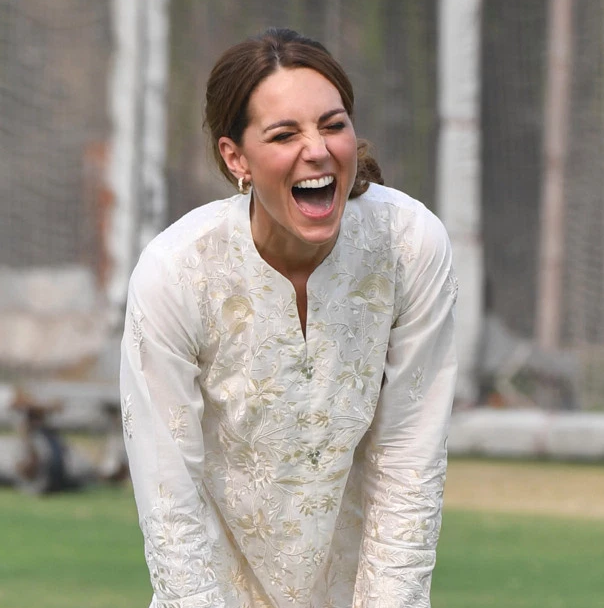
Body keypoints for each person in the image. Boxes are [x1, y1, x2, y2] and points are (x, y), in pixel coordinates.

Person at [121, 27, 457, 608]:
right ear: (236, 157)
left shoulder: (410, 244)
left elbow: (408, 457)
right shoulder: (176, 272)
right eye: (284, 134)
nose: (318, 150)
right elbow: (169, 491)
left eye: (333, 124)